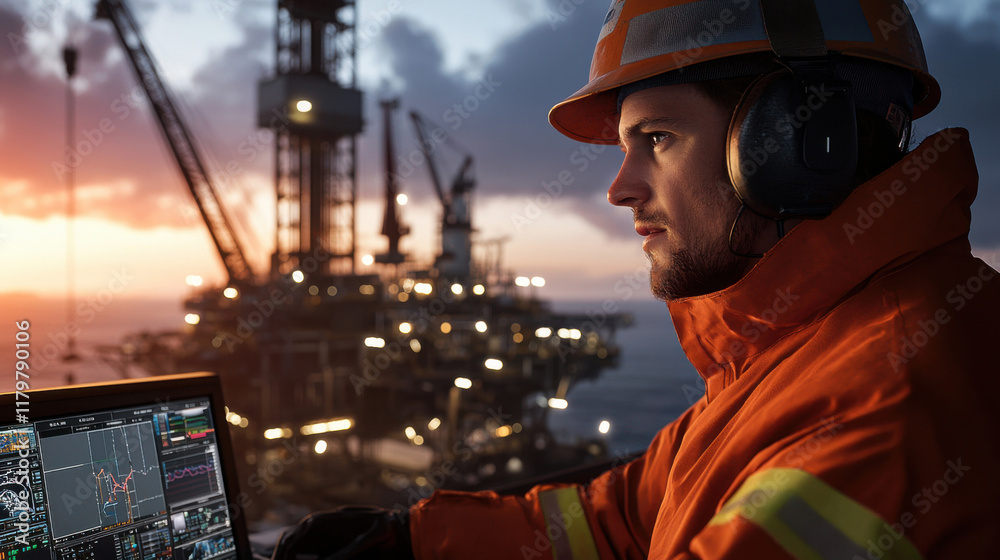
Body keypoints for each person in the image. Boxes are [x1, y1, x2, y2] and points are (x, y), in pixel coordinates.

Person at [272, 1, 1000, 558]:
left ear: (796, 143)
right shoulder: (795, 347)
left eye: (657, 139)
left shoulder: (881, 414)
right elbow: (629, 516)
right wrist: (417, 541)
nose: (619, 189)